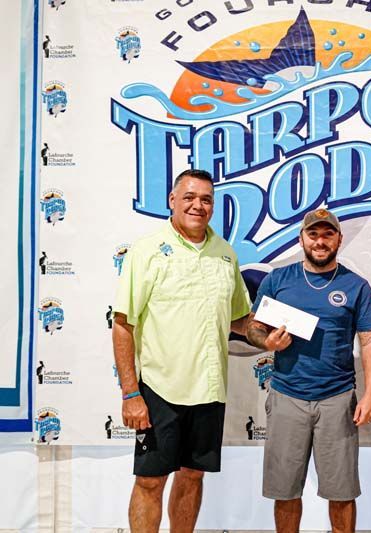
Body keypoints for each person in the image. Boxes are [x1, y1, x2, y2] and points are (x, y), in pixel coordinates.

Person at [112, 168, 251, 533]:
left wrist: (269, 338)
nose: (197, 205)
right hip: (160, 390)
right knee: (150, 480)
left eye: (206, 199)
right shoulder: (146, 252)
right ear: (172, 201)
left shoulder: (224, 254)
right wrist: (130, 393)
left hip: (209, 390)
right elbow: (122, 323)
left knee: (192, 476)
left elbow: (239, 319)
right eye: (189, 197)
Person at [246, 208, 371, 533]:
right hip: (285, 397)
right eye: (313, 234)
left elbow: (369, 342)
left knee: (342, 493)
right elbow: (253, 328)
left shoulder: (356, 286)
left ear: (338, 238)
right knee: (285, 491)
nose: (320, 241)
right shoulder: (278, 280)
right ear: (302, 239)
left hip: (337, 400)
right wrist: (269, 343)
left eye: (327, 235)